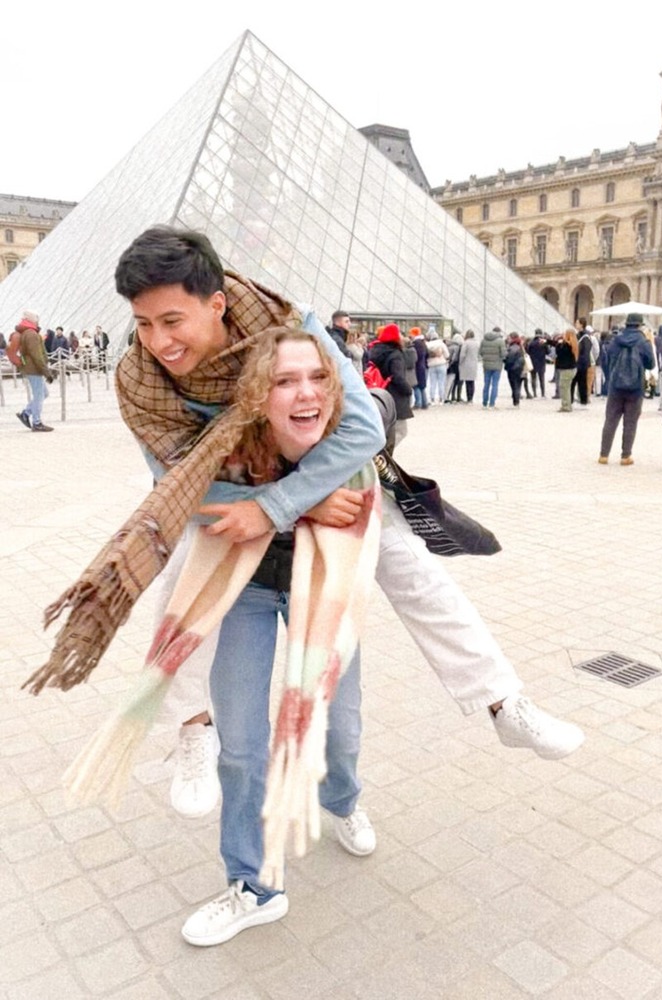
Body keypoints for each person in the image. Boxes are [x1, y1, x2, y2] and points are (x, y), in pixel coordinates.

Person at [106, 226, 583, 938]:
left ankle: (423, 749)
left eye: (171, 321)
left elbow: (360, 432)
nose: (158, 342)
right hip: (243, 560)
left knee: (341, 715)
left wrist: (276, 501)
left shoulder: (288, 335)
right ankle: (250, 877)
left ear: (215, 304)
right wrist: (280, 503)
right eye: (143, 324)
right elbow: (173, 488)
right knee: (231, 714)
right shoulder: (140, 379)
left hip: (335, 546)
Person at [597, 313, 655, 464]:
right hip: (635, 388)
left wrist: (611, 377)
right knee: (630, 423)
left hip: (616, 386)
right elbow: (651, 364)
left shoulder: (616, 339)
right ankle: (625, 456)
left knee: (610, 420)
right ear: (640, 325)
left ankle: (604, 455)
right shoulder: (644, 341)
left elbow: (607, 359)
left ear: (627, 324)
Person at [367, 323, 413, 447]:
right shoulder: (395, 354)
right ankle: (383, 456)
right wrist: (408, 389)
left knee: (386, 430)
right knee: (400, 431)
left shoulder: (376, 350)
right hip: (395, 397)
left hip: (380, 393)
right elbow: (397, 377)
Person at [14, 310, 55, 432]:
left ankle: (26, 413)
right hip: (34, 369)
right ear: (32, 320)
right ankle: (36, 422)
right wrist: (47, 372)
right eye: (37, 319)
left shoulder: (26, 332)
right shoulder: (31, 334)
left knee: (44, 393)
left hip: (31, 367)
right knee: (39, 395)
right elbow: (36, 355)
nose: (38, 321)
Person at [479, 326, 506, 408]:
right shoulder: (500, 341)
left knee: (486, 384)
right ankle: (492, 404)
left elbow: (480, 352)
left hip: (486, 365)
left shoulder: (484, 340)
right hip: (497, 365)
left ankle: (484, 403)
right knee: (495, 384)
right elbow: (503, 354)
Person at [554, 328, 578, 412]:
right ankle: (567, 405)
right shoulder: (573, 344)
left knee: (564, 388)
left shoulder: (567, 345)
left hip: (566, 370)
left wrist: (558, 344)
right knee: (566, 387)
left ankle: (566, 406)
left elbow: (559, 352)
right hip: (571, 369)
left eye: (564, 334)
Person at [425, 326, 449, 404]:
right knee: (441, 382)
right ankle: (441, 399)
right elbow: (447, 354)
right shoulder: (441, 343)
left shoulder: (427, 345)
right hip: (441, 364)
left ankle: (432, 399)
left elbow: (426, 355)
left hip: (431, 365)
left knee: (432, 383)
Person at [571, 318, 592, 405]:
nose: (575, 324)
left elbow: (585, 351)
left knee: (582, 383)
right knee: (574, 382)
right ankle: (571, 399)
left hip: (581, 364)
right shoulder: (578, 335)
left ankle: (583, 401)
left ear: (581, 324)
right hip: (578, 363)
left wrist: (579, 363)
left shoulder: (585, 336)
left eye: (577, 323)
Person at [504, 332, 525, 407]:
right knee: (518, 385)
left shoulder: (512, 347)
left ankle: (516, 403)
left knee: (514, 386)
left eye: (509, 338)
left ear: (512, 338)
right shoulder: (521, 346)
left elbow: (509, 359)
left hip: (513, 369)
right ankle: (516, 402)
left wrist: (505, 361)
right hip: (521, 368)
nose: (508, 339)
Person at [458, 329, 479, 404]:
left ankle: (468, 398)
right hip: (474, 364)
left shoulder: (466, 343)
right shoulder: (476, 343)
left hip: (466, 364)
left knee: (467, 382)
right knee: (472, 382)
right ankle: (471, 398)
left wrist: (460, 362)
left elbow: (462, 354)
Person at [410, 326, 429, 410]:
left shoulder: (416, 343)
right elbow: (427, 354)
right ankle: (425, 402)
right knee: (422, 386)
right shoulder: (423, 342)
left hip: (417, 367)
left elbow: (415, 356)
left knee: (416, 385)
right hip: (422, 366)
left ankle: (418, 403)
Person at [527, 329, 548, 398]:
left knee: (533, 378)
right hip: (541, 362)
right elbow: (548, 351)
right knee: (542, 378)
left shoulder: (531, 342)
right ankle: (543, 393)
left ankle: (534, 393)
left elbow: (528, 351)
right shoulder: (543, 342)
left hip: (533, 362)